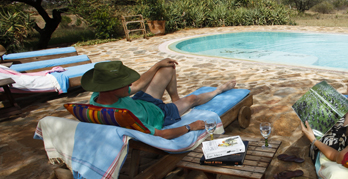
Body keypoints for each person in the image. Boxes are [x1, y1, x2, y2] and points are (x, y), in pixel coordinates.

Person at [81, 59, 236, 139]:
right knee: (192, 99)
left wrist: (157, 65)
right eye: (124, 83)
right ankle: (218, 90)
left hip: (142, 102)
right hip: (160, 113)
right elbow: (162, 134)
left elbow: (137, 86)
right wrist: (191, 126)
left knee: (167, 67)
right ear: (113, 88)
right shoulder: (122, 117)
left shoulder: (98, 95)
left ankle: (175, 97)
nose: (129, 84)